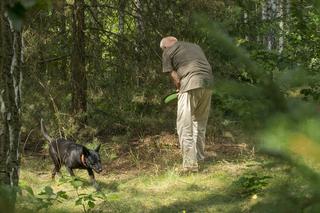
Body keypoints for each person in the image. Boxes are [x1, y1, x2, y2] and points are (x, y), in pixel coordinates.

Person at [160, 36, 213, 172]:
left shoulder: (168, 51)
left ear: (165, 46)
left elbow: (174, 76)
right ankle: (200, 158)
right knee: (199, 123)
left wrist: (178, 88)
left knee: (184, 125)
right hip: (208, 84)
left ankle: (190, 165)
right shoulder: (195, 45)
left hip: (190, 83)